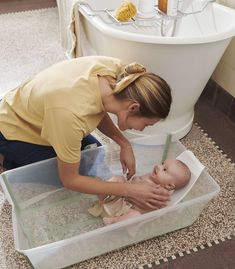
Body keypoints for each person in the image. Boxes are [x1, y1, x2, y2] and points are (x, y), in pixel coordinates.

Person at [0, 55, 172, 210]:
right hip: (11, 128)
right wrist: (130, 190)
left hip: (36, 108)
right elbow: (71, 180)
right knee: (77, 174)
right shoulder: (69, 115)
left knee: (94, 152)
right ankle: (5, 157)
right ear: (133, 107)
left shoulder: (122, 75)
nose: (142, 129)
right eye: (146, 124)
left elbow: (99, 107)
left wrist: (124, 143)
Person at [88, 159, 191, 225]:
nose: (158, 166)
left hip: (127, 210)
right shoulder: (151, 176)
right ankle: (101, 199)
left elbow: (152, 210)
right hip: (121, 197)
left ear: (169, 185)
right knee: (117, 179)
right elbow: (132, 183)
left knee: (135, 216)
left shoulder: (161, 193)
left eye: (164, 169)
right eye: (162, 163)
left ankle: (115, 221)